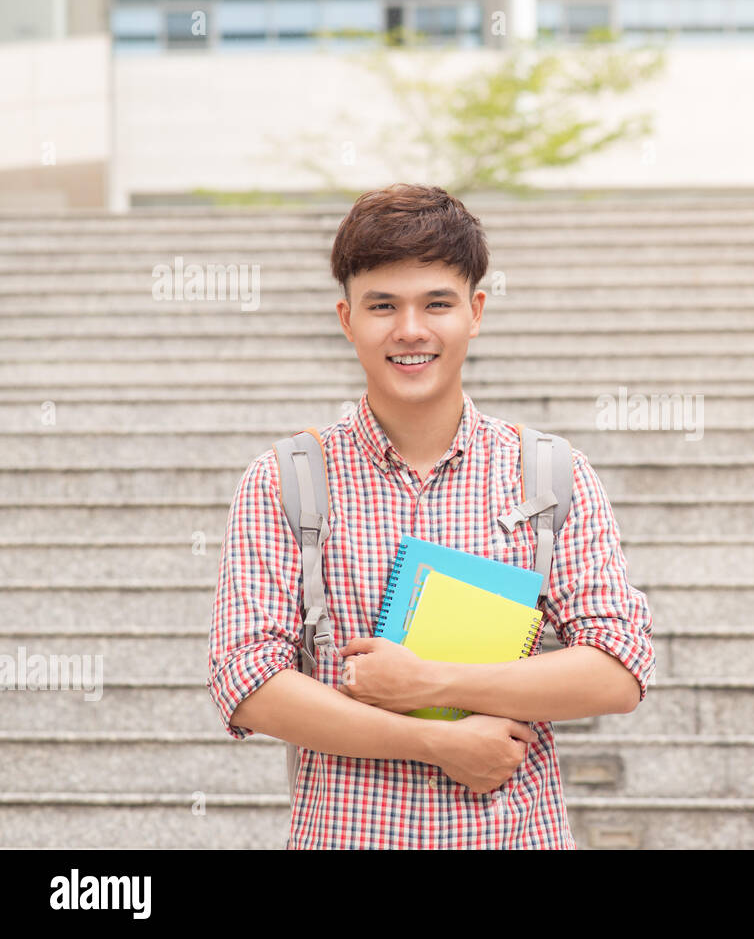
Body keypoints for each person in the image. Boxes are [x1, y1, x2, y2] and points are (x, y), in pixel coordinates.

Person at [206, 183, 654, 848]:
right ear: (346, 317)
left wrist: (433, 680)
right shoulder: (288, 480)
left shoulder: (551, 476)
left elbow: (619, 667)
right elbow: (248, 680)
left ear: (474, 311)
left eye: (435, 303)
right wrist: (434, 739)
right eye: (383, 305)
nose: (410, 329)